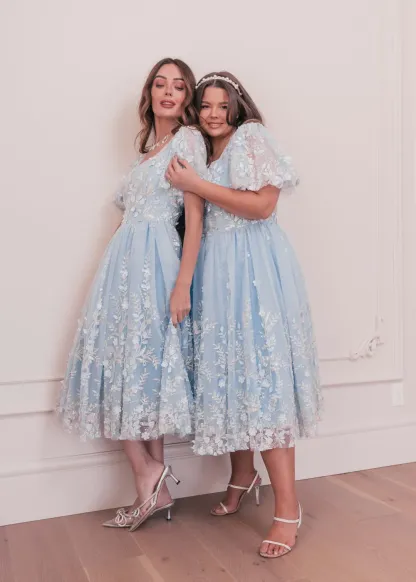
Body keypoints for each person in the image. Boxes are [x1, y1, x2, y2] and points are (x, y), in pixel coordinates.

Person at [166, 71, 322, 558]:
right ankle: (241, 475)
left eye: (222, 105)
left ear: (237, 107)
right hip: (216, 273)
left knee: (263, 381)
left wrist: (196, 184)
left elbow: (262, 207)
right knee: (231, 377)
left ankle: (288, 508)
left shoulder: (251, 137)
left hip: (253, 272)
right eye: (205, 105)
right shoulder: (202, 152)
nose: (213, 114)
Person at [57, 58, 207, 532]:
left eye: (178, 86)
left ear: (187, 97)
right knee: (133, 367)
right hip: (123, 262)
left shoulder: (187, 140)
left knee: (135, 361)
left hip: (157, 260)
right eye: (160, 84)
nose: (168, 92)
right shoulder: (147, 148)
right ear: (150, 94)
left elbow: (195, 216)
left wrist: (182, 283)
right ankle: (152, 489)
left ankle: (146, 473)